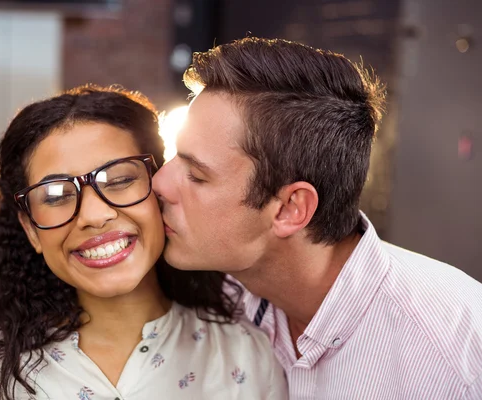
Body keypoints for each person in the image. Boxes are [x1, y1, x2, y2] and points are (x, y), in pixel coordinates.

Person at [153, 37, 482, 399]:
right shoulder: (208, 296)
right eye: (173, 157)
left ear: (291, 208)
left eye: (197, 176)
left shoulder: (455, 358)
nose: (159, 183)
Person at [0, 85, 288, 400]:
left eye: (119, 179)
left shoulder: (246, 358)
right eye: (56, 195)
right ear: (31, 230)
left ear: (160, 189)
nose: (93, 215)